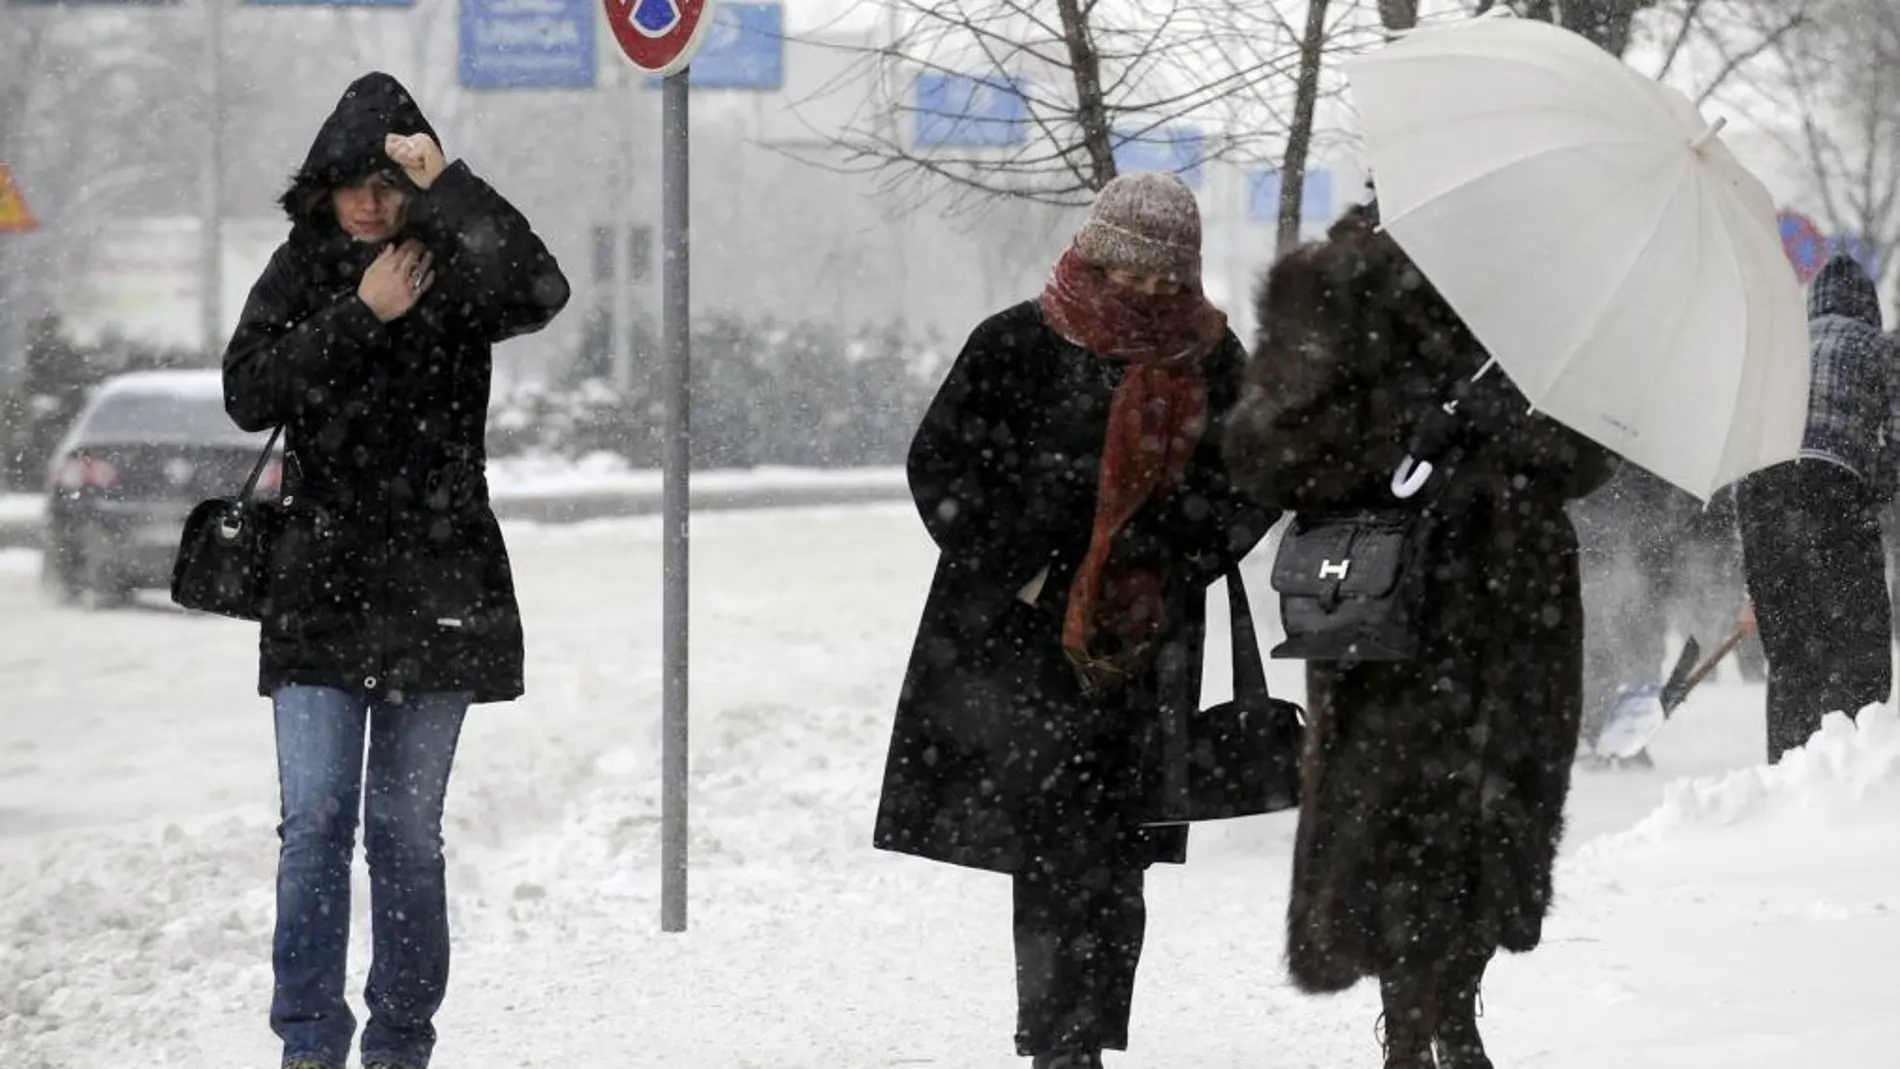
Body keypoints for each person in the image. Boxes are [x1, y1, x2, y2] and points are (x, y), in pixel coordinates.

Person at [873, 173, 1275, 1069]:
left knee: (1121, 845)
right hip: (1025, 645)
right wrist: (1029, 569)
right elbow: (939, 467)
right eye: (1134, 276)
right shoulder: (1016, 342)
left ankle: (1091, 1028)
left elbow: (1252, 480)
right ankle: (1060, 1041)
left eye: (1170, 281)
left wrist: (1175, 555)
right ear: (1097, 257)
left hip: (1149, 638)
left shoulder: (1212, 358)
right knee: (1053, 844)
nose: (1151, 296)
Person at [222, 72, 568, 1069]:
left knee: (406, 834)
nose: (371, 201)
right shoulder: (302, 269)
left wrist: (454, 186)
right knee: (315, 826)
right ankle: (309, 1048)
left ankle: (402, 1046)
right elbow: (247, 392)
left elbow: (542, 290)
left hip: (441, 585)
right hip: (317, 586)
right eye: (351, 181)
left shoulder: (454, 265)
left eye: (391, 180)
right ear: (321, 189)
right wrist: (358, 315)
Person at [1223, 205, 1616, 1068]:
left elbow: (1591, 458)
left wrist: (1508, 424)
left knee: (1499, 819)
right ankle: (1409, 1023)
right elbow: (1262, 451)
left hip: (1519, 609)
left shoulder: (1542, 294)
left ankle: (1457, 1001)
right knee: (1399, 821)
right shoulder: (1324, 288)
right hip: (1392, 612)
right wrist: (1397, 436)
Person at [1737, 253, 1894, 763]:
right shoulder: (1881, 349)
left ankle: (1788, 773)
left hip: (1761, 495)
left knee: (1791, 659)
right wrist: (1874, 490)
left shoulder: (1782, 347)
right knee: (1861, 649)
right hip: (1833, 492)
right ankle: (1855, 770)